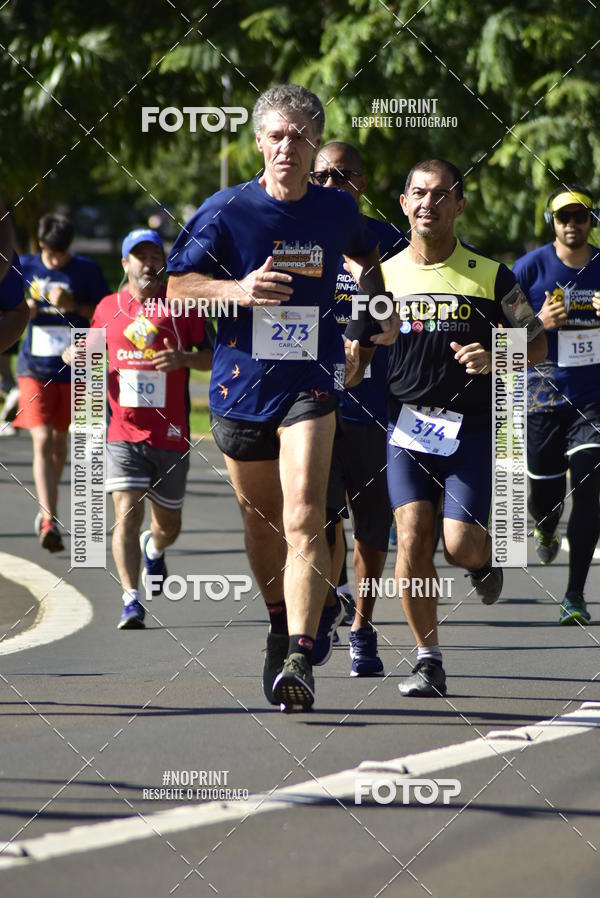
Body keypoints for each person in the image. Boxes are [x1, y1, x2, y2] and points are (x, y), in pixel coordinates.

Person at [166, 84, 398, 711]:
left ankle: (299, 652)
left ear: (315, 141)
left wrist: (366, 331)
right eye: (277, 135)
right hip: (240, 391)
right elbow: (177, 286)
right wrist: (236, 291)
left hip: (312, 385)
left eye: (300, 135)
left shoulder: (333, 209)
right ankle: (278, 620)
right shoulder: (227, 209)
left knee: (303, 516)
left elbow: (369, 255)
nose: (288, 146)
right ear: (259, 141)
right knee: (262, 523)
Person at [346, 158, 547, 697]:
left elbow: (537, 342)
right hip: (407, 430)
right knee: (411, 537)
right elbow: (353, 361)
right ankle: (427, 657)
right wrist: (361, 351)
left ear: (459, 204)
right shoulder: (382, 276)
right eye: (418, 194)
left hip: (475, 430)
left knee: (458, 545)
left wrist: (498, 356)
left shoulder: (492, 275)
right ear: (405, 204)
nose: (428, 203)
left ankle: (482, 563)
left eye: (441, 194)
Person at [64, 229, 212, 628]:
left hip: (170, 434)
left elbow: (212, 357)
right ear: (125, 264)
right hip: (122, 433)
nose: (148, 263)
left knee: (168, 526)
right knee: (126, 516)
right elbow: (89, 352)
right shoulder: (107, 307)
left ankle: (156, 547)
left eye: (154, 256)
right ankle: (131, 599)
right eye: (139, 256)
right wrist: (74, 353)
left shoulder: (182, 306)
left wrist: (183, 359)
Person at [312, 140, 407, 676]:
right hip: (316, 401)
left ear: (361, 184)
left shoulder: (392, 242)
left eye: (342, 176)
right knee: (318, 519)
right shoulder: (299, 234)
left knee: (372, 530)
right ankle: (326, 602)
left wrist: (385, 332)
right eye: (322, 175)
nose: (330, 184)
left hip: (376, 405)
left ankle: (363, 627)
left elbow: (406, 314)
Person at [514, 184, 600, 625]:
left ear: (591, 221)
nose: (572, 224)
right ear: (552, 221)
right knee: (544, 490)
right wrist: (538, 323)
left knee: (590, 488)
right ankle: (546, 525)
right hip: (542, 395)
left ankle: (574, 594)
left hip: (593, 398)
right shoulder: (529, 268)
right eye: (563, 217)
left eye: (580, 217)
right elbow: (502, 330)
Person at [13, 213, 108, 551]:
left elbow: (106, 312)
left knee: (58, 443)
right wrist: (24, 309)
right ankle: (49, 517)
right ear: (41, 245)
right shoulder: (23, 266)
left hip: (75, 368)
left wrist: (75, 306)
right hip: (34, 368)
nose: (56, 260)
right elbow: (6, 307)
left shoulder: (86, 270)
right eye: (51, 254)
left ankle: (47, 510)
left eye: (62, 254)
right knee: (41, 440)